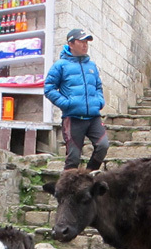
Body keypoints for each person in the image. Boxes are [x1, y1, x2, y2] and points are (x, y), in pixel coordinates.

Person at [44, 28, 109, 170]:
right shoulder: (60, 65)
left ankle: (89, 176)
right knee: (73, 158)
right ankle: (66, 189)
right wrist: (66, 104)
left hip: (93, 117)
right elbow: (49, 88)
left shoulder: (91, 66)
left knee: (103, 146)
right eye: (81, 42)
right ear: (71, 44)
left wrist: (99, 101)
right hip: (73, 118)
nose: (85, 45)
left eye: (87, 42)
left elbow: (98, 86)